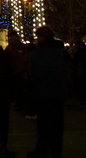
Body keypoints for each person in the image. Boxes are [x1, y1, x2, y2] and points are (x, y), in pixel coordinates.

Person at [27, 26, 68, 158]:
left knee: (44, 124)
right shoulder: (60, 53)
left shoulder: (40, 54)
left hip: (44, 93)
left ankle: (42, 148)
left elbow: (36, 74)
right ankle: (56, 150)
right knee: (57, 125)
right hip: (58, 93)